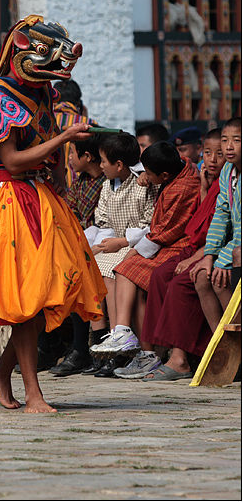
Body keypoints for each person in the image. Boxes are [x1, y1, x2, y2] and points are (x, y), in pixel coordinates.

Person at [0, 16, 106, 412]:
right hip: (9, 201)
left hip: (41, 198)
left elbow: (43, 140)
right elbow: (10, 160)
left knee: (54, 289)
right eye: (44, 53)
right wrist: (65, 137)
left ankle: (2, 371)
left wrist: (60, 167)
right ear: (20, 52)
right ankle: (33, 394)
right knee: (25, 299)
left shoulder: (42, 90)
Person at [91, 141, 201, 378]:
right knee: (126, 271)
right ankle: (135, 343)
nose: (145, 177)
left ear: (164, 174)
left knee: (126, 268)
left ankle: (138, 345)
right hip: (163, 242)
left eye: (149, 174)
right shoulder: (175, 172)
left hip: (175, 245)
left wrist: (133, 249)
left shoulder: (183, 188)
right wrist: (145, 175)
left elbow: (165, 231)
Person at [139, 127, 226, 380]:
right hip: (198, 246)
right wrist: (204, 190)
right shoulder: (209, 179)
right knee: (159, 275)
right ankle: (159, 352)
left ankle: (180, 359)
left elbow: (220, 231)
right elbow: (202, 220)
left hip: (211, 250)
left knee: (180, 283)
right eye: (208, 152)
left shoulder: (231, 182)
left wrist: (199, 255)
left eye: (218, 153)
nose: (211, 159)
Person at [84, 132, 157, 377]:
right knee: (91, 265)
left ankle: (119, 342)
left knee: (112, 272)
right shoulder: (107, 186)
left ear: (119, 165)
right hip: (114, 242)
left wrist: (122, 241)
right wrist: (101, 245)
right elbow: (104, 223)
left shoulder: (142, 184)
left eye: (104, 160)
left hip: (135, 245)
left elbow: (150, 224)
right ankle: (101, 340)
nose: (100, 165)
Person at [47, 134, 108, 376]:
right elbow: (68, 210)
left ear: (87, 157)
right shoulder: (82, 182)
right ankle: (47, 346)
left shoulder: (105, 183)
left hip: (100, 244)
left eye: (72, 154)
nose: (70, 160)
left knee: (77, 273)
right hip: (80, 242)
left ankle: (84, 348)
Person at [189, 118, 241, 336]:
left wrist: (224, 257)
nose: (228, 147)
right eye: (224, 140)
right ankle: (221, 343)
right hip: (235, 245)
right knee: (202, 276)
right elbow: (221, 215)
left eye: (236, 140)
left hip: (238, 248)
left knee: (221, 278)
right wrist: (210, 255)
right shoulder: (228, 171)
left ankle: (237, 341)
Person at [52, 80, 97, 188]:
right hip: (82, 186)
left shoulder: (47, 121)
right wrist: (85, 118)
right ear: (78, 103)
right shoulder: (89, 124)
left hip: (54, 186)